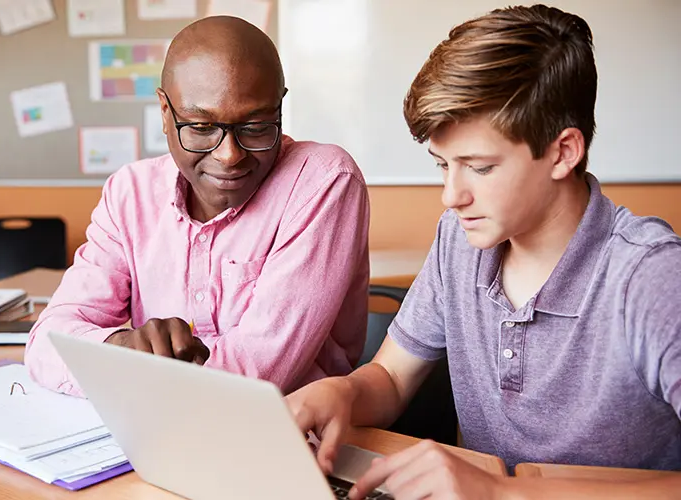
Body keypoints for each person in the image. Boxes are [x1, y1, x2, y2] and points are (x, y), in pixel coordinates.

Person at [287, 4, 681, 499]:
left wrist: (502, 493)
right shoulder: (460, 240)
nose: (452, 196)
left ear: (563, 152)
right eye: (442, 165)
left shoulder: (652, 276)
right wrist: (341, 392)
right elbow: (390, 376)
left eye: (480, 167)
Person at [25, 16, 370, 397]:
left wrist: (120, 372)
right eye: (202, 128)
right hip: (150, 431)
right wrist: (120, 348)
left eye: (255, 126)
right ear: (164, 112)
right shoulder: (130, 193)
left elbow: (253, 379)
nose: (229, 155)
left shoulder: (322, 182)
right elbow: (47, 342)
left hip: (290, 441)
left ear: (279, 108)